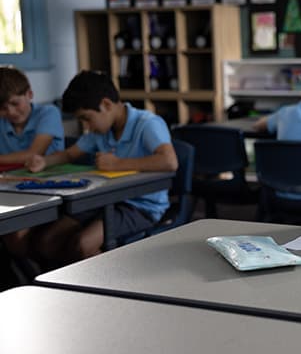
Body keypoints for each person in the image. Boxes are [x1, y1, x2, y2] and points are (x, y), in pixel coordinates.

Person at [21, 71, 178, 266]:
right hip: (104, 200)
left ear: (106, 105)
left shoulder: (147, 124)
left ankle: (109, 285)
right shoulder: (100, 130)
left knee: (83, 244)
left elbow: (169, 161)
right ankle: (69, 284)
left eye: (87, 118)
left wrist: (118, 164)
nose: (86, 126)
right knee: (46, 240)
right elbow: (70, 154)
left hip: (141, 206)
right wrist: (44, 162)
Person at [0, 66, 64, 164]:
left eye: (15, 103)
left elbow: (34, 154)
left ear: (29, 94)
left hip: (51, 177)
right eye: (2, 108)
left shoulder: (48, 113)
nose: (11, 112)